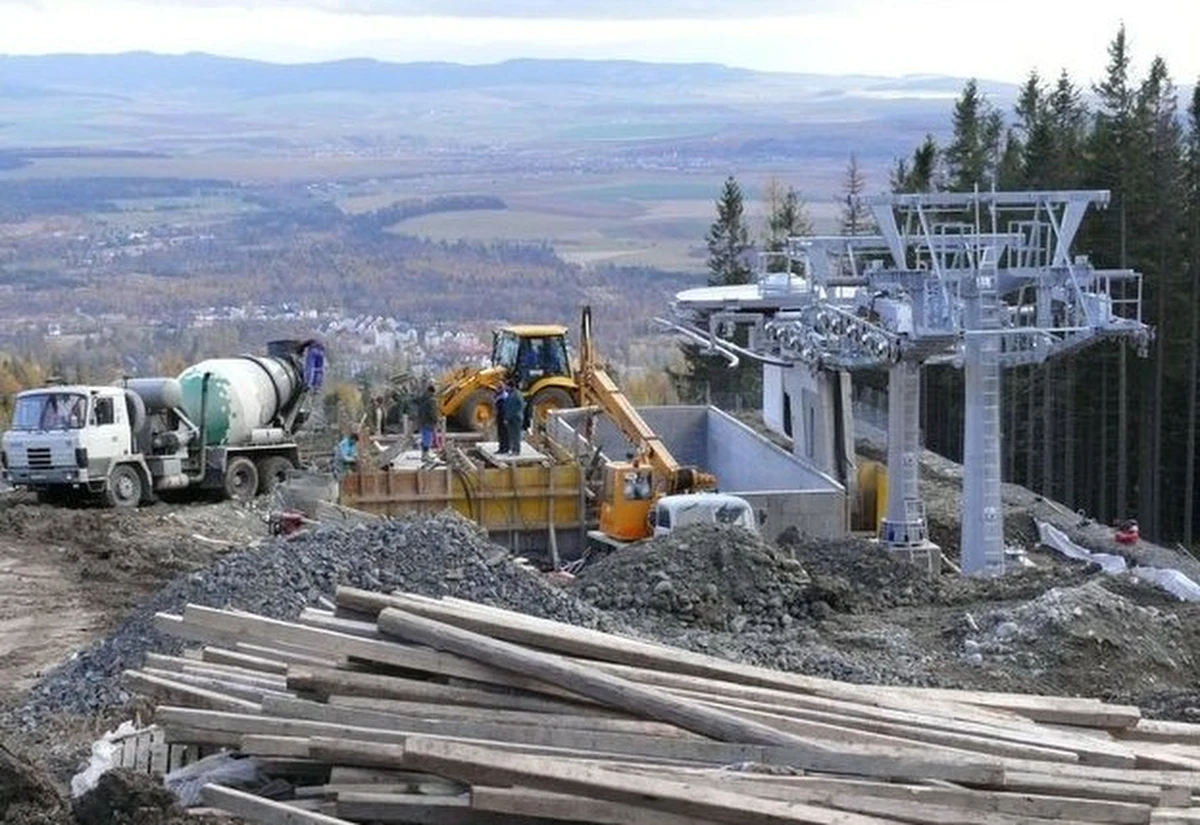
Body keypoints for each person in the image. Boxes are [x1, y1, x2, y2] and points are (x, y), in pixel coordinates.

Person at [416, 382, 438, 460]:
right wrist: (436, 420)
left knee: (424, 438)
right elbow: (433, 412)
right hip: (429, 422)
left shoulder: (422, 398)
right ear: (433, 391)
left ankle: (423, 455)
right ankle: (426, 456)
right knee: (428, 440)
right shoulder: (432, 400)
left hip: (422, 422)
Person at [504, 381, 525, 456]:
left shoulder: (516, 394)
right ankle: (513, 450)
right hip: (511, 418)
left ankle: (516, 450)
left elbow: (518, 407)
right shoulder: (510, 394)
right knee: (511, 435)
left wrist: (511, 416)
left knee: (516, 435)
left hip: (516, 418)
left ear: (510, 386)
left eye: (506, 386)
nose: (505, 387)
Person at [494, 383, 511, 454]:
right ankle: (502, 448)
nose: (497, 390)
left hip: (503, 417)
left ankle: (505, 448)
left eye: (498, 389)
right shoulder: (499, 396)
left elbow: (505, 409)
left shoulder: (504, 397)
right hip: (500, 416)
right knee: (501, 433)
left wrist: (505, 418)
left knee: (504, 433)